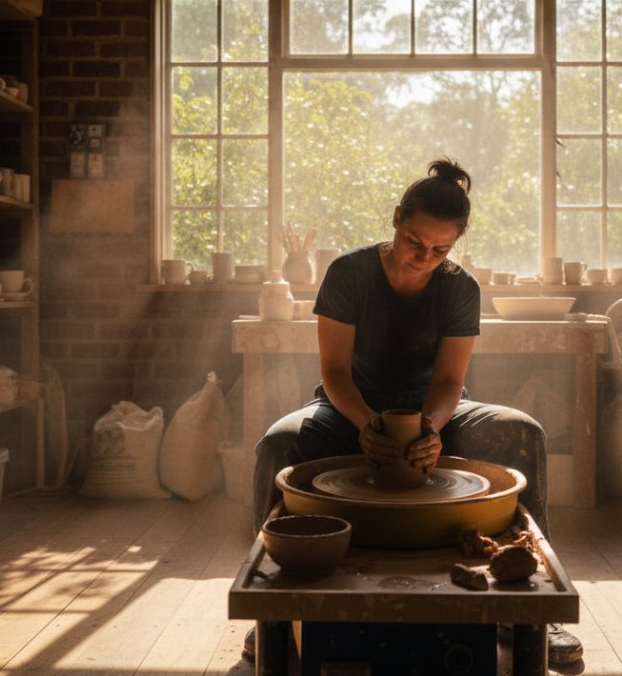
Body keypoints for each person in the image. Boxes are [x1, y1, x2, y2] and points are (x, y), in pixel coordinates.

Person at [244, 158, 583, 666]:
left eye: (439, 250)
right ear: (397, 218)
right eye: (414, 242)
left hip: (437, 413)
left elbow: (449, 381)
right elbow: (334, 372)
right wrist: (367, 423)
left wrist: (429, 428)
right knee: (277, 444)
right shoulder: (349, 273)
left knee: (523, 432)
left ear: (455, 245)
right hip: (350, 408)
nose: (423, 258)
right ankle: (270, 613)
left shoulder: (460, 287)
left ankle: (529, 610)